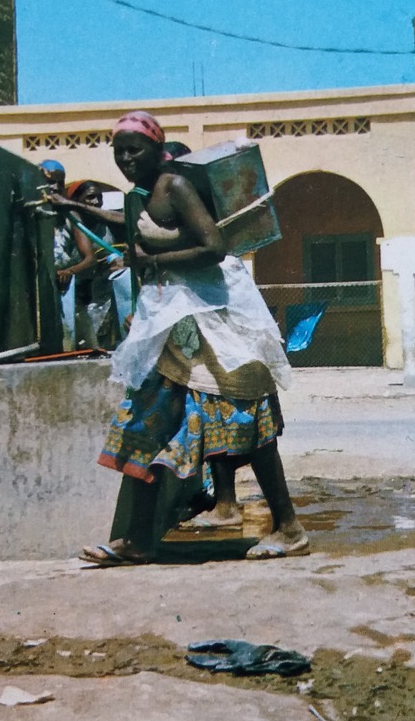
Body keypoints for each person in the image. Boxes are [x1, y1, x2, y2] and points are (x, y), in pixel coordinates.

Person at [48, 110, 308, 565]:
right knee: (148, 421)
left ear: (156, 148)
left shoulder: (176, 187)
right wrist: (77, 209)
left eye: (135, 150)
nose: (126, 159)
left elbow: (213, 247)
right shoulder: (140, 196)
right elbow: (128, 226)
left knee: (249, 423)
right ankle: (138, 541)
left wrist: (151, 256)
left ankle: (289, 528)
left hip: (213, 321)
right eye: (119, 152)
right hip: (173, 325)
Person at [62, 179, 126, 349]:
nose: (96, 202)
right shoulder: (67, 225)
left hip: (101, 290)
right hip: (73, 291)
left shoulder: (106, 224)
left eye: (99, 197)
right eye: (90, 197)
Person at [40, 159, 83, 350]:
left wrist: (70, 270)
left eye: (60, 182)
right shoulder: (28, 212)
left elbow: (89, 256)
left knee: (65, 342)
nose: (55, 187)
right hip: (37, 286)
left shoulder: (70, 215)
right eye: (50, 182)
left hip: (62, 284)